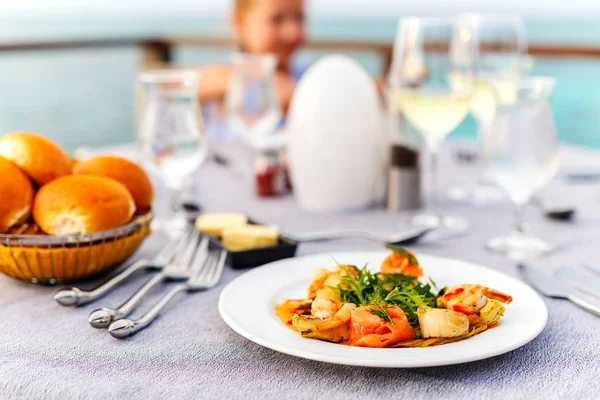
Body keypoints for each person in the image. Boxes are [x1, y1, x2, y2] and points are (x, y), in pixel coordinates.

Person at [198, 0, 305, 114]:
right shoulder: (219, 77)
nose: (292, 33)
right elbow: (198, 85)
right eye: (277, 19)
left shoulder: (308, 76)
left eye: (300, 18)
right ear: (240, 23)